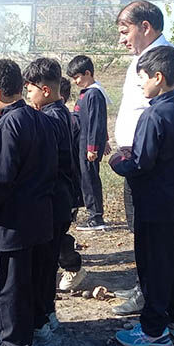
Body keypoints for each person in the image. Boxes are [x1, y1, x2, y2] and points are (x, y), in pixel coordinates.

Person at [109, 46, 174, 346]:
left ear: (158, 77)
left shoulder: (153, 115)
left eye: (143, 79)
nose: (141, 85)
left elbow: (140, 163)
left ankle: (153, 330)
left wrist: (117, 160)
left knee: (154, 265)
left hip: (154, 203)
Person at [0, 59, 56, 346]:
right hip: (39, 220)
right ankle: (29, 333)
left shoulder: (7, 126)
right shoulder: (41, 120)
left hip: (12, 225)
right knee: (30, 283)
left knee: (11, 289)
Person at [23, 58, 76, 339]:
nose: (27, 95)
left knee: (43, 264)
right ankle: (48, 313)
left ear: (44, 89)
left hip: (52, 200)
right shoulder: (61, 112)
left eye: (29, 89)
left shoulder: (49, 119)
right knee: (47, 261)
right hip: (61, 198)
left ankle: (42, 319)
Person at [66, 55, 112, 232]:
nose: (76, 81)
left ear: (88, 73)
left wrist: (94, 147)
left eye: (78, 77)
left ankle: (96, 217)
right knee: (84, 178)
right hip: (82, 143)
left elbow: (96, 121)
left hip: (88, 146)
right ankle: (88, 211)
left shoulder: (94, 93)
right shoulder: (86, 94)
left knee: (90, 179)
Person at [57, 78, 87, 292]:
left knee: (57, 233)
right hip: (61, 187)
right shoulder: (56, 118)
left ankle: (73, 267)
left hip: (68, 188)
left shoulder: (68, 121)